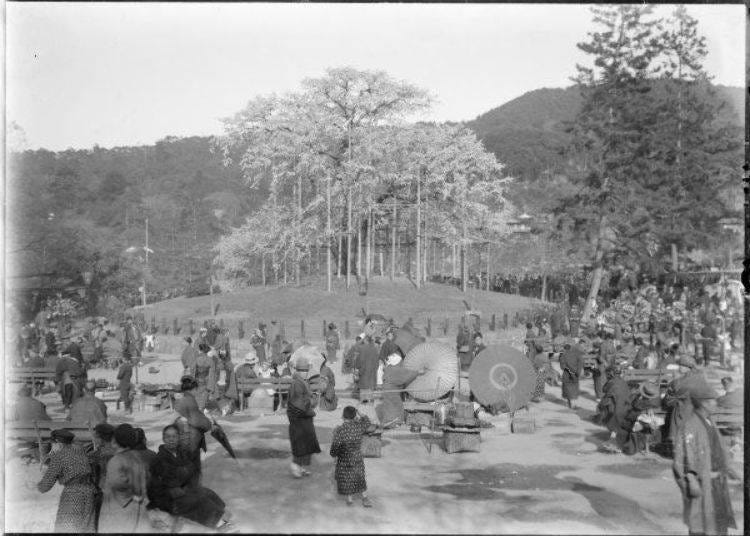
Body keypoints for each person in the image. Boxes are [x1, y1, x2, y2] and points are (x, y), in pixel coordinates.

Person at [671, 374, 736, 535]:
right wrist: (692, 479)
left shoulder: (709, 421)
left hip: (717, 484)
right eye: (713, 400)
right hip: (702, 484)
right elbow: (680, 460)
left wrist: (730, 469)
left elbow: (719, 448)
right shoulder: (690, 426)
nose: (716, 402)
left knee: (718, 525)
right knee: (701, 525)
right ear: (704, 403)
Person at [148, 424, 231, 531]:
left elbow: (189, 473)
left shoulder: (181, 454)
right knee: (199, 499)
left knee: (208, 493)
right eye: (168, 437)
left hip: (183, 490)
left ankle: (223, 520)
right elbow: (161, 484)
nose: (171, 440)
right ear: (164, 439)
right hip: (168, 498)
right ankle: (219, 525)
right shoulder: (159, 459)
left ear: (178, 438)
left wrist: (188, 480)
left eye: (174, 436)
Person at [37, 429, 97, 533]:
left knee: (66, 528)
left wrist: (37, 486)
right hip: (89, 492)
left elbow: (45, 486)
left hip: (73, 495)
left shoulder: (58, 456)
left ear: (58, 443)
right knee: (86, 528)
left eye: (53, 444)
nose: (52, 447)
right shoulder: (80, 450)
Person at [98, 426, 150, 533]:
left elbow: (116, 482)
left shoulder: (116, 460)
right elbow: (146, 477)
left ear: (115, 441)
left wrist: (103, 483)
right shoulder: (137, 457)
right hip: (138, 506)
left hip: (119, 507)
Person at [330, 406, 374, 507]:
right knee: (359, 478)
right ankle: (365, 498)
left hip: (344, 460)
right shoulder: (359, 427)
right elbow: (367, 421)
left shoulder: (340, 430)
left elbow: (334, 449)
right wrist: (359, 412)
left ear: (342, 416)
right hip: (357, 458)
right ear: (354, 417)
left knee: (347, 478)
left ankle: (350, 500)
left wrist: (334, 455)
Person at [287, 357, 321, 478]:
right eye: (303, 370)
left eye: (306, 370)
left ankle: (301, 467)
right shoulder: (297, 383)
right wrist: (311, 400)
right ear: (298, 370)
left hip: (305, 418)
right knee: (300, 444)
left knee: (307, 443)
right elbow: (299, 403)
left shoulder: (302, 382)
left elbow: (306, 398)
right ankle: (296, 465)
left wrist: (315, 395)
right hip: (299, 419)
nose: (305, 372)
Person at [174, 376, 213, 482]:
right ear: (194, 389)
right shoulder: (190, 400)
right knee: (191, 469)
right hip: (191, 440)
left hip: (181, 438)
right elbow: (196, 420)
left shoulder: (181, 399)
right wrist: (209, 423)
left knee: (183, 465)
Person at [376, 354, 424, 428]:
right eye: (400, 361)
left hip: (387, 390)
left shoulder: (389, 367)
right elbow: (406, 375)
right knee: (397, 406)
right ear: (397, 362)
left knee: (389, 406)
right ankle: (394, 423)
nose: (401, 363)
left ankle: (389, 422)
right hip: (391, 391)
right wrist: (418, 372)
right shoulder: (396, 370)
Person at [596, 367, 632, 453]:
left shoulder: (612, 382)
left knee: (604, 407)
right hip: (627, 407)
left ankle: (614, 438)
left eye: (607, 375)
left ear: (610, 374)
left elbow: (604, 390)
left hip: (617, 410)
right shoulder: (623, 382)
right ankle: (615, 436)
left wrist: (601, 405)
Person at [559, 340, 584, 409]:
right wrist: (578, 371)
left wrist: (569, 371)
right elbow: (581, 362)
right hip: (575, 373)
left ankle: (570, 403)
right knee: (574, 388)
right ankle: (574, 403)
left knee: (567, 388)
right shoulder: (577, 354)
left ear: (564, 348)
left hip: (567, 374)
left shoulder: (563, 355)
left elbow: (562, 367)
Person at [354, 336, 380, 403]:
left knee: (364, 387)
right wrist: (375, 369)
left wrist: (357, 368)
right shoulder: (374, 349)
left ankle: (364, 401)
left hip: (364, 371)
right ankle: (370, 400)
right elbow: (377, 362)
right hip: (372, 371)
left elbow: (359, 361)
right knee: (370, 387)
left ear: (366, 340)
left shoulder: (362, 348)